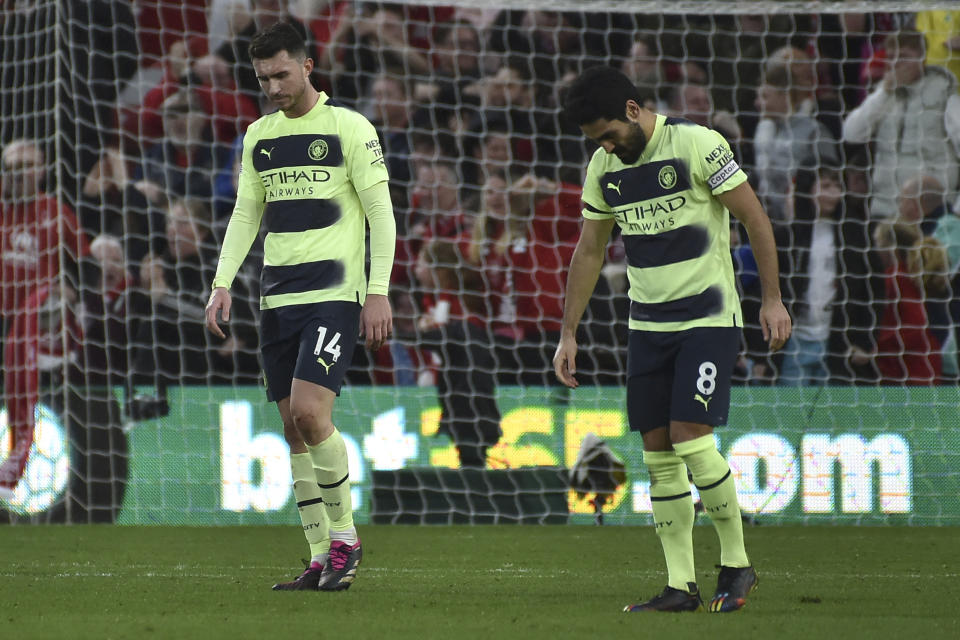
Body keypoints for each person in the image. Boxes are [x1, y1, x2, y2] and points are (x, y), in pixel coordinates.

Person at [555, 67, 791, 613]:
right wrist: (569, 333)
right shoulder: (603, 168)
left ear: (634, 110)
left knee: (690, 436)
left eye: (610, 133)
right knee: (657, 453)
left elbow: (755, 219)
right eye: (597, 141)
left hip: (707, 319)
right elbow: (590, 251)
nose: (606, 146)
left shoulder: (697, 144)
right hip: (648, 327)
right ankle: (679, 586)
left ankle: (736, 564)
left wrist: (772, 298)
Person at [204, 23, 395, 591]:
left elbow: (381, 214)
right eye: (263, 78)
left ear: (308, 67)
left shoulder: (350, 128)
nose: (273, 87)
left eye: (282, 74)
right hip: (277, 299)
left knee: (313, 414)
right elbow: (246, 214)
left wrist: (378, 289)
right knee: (292, 429)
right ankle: (319, 558)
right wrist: (222, 283)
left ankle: (346, 540)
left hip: (334, 297)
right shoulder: (258, 135)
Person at [842, 29, 960, 219]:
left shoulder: (945, 97)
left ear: (922, 59)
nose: (896, 63)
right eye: (891, 57)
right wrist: (885, 92)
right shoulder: (883, 97)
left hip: (932, 213)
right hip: (884, 211)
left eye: (904, 57)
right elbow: (851, 133)